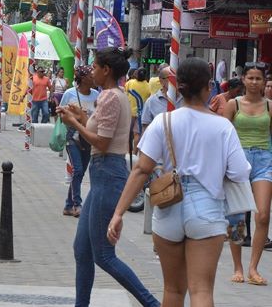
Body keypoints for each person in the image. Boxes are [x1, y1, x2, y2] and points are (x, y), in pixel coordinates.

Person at [108, 57, 251, 307]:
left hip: (168, 207)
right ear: (209, 87)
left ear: (178, 86)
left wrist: (118, 213)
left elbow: (141, 169)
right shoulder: (223, 127)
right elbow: (240, 172)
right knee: (202, 292)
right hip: (207, 209)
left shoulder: (164, 121)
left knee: (173, 291)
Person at [57, 47, 159, 307]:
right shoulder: (111, 96)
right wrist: (80, 117)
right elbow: (103, 129)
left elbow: (101, 142)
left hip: (108, 173)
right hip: (102, 175)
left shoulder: (112, 97)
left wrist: (75, 123)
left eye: (94, 67)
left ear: (106, 70)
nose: (91, 72)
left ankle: (152, 304)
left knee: (103, 255)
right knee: (82, 251)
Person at [223, 61, 272, 286]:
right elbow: (222, 135)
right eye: (250, 78)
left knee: (263, 215)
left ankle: (253, 267)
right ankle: (238, 266)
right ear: (243, 80)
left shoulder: (270, 106)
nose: (254, 82)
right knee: (237, 216)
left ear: (264, 82)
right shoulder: (233, 104)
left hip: (264, 161)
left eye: (258, 79)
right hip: (238, 161)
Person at [59, 65, 99, 217]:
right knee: (78, 169)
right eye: (91, 75)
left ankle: (68, 205)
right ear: (83, 79)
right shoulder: (70, 94)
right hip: (73, 137)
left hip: (88, 137)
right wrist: (76, 118)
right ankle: (77, 204)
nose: (94, 77)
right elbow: (61, 115)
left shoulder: (96, 95)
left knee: (79, 173)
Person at [125, 67, 151, 152]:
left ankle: (127, 152)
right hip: (140, 113)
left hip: (129, 112)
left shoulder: (130, 83)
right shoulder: (148, 86)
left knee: (127, 133)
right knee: (137, 134)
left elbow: (125, 94)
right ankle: (134, 153)